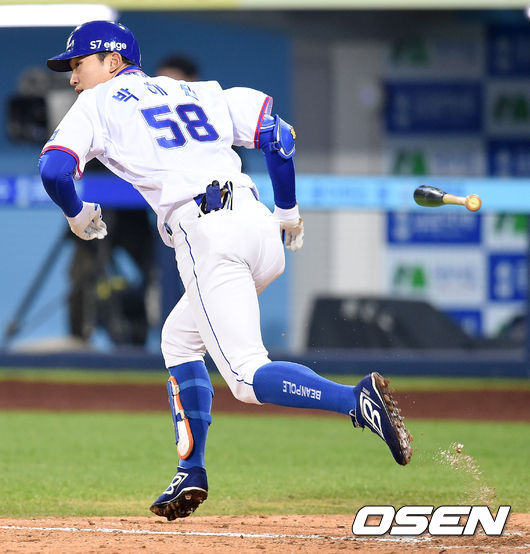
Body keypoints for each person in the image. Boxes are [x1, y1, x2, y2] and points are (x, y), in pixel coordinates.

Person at [39, 21, 412, 521]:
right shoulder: (196, 90)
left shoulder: (96, 103)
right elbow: (279, 136)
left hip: (207, 234)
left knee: (246, 377)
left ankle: (354, 399)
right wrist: (288, 212)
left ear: (112, 61)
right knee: (178, 340)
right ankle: (190, 470)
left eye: (79, 64)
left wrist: (77, 213)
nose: (72, 77)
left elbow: (54, 170)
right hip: (258, 226)